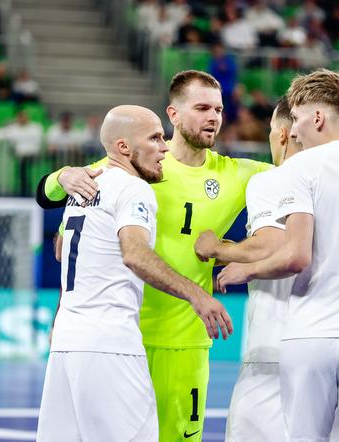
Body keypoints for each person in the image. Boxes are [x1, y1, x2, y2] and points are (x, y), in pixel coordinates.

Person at [38, 70, 272, 441]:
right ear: (173, 114)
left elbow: (301, 179)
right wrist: (63, 175)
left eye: (218, 109)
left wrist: (230, 252)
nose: (213, 117)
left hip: (183, 342)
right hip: (126, 334)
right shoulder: (136, 169)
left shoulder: (237, 173)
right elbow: (54, 208)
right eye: (202, 108)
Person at [216, 69, 339, 441]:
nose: (292, 130)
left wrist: (244, 269)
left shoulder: (301, 167)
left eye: (296, 118)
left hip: (310, 333)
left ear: (318, 117)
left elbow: (296, 256)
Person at [194, 96, 339, 442]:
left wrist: (218, 249)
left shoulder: (276, 179)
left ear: (283, 135)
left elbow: (272, 244)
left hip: (275, 349)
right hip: (331, 348)